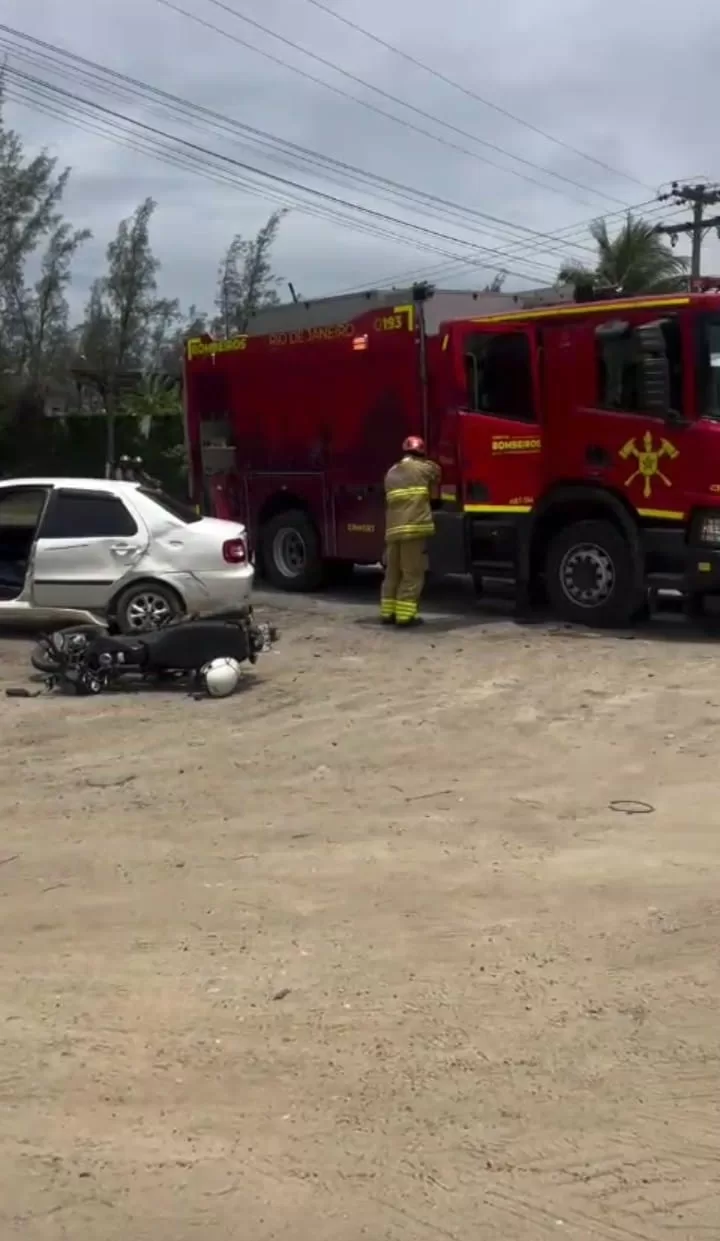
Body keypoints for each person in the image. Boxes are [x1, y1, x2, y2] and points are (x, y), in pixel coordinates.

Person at [380, 435, 441, 627]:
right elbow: (437, 473)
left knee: (392, 573)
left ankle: (387, 613)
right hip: (413, 529)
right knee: (412, 573)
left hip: (393, 530)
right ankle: (405, 617)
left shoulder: (391, 472)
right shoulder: (423, 468)